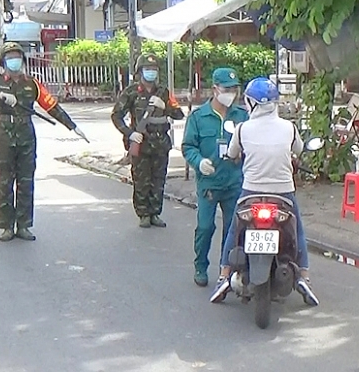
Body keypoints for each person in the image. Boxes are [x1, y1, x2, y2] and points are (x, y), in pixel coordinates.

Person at [210, 77, 318, 307]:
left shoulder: (242, 129)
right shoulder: (289, 128)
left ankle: (223, 276)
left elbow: (231, 154)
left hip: (251, 191)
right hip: (283, 193)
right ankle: (305, 277)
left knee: (233, 231)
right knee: (297, 230)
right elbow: (298, 149)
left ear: (252, 103)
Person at [0, 42, 87, 241]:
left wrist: (72, 126)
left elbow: (52, 106)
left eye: (17, 57)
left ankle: (23, 225)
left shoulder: (31, 84)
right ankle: (6, 226)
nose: (14, 61)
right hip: (5, 133)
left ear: (22, 60)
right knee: (5, 181)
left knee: (26, 180)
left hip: (26, 134)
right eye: (10, 57)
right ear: (3, 61)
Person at [182, 67, 249, 288]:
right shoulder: (199, 117)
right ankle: (200, 266)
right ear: (215, 89)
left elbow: (252, 144)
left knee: (232, 229)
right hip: (209, 182)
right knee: (205, 227)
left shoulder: (242, 117)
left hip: (234, 181)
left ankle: (226, 270)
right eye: (227, 89)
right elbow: (188, 146)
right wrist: (199, 162)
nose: (231, 93)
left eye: (234, 89)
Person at [112, 54, 185, 228]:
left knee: (158, 180)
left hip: (160, 144)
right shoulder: (131, 92)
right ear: (140, 72)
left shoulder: (163, 92)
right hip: (141, 143)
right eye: (147, 69)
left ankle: (155, 213)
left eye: (154, 69)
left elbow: (179, 114)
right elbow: (116, 116)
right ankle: (143, 213)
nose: (151, 73)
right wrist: (129, 133)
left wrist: (164, 106)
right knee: (141, 180)